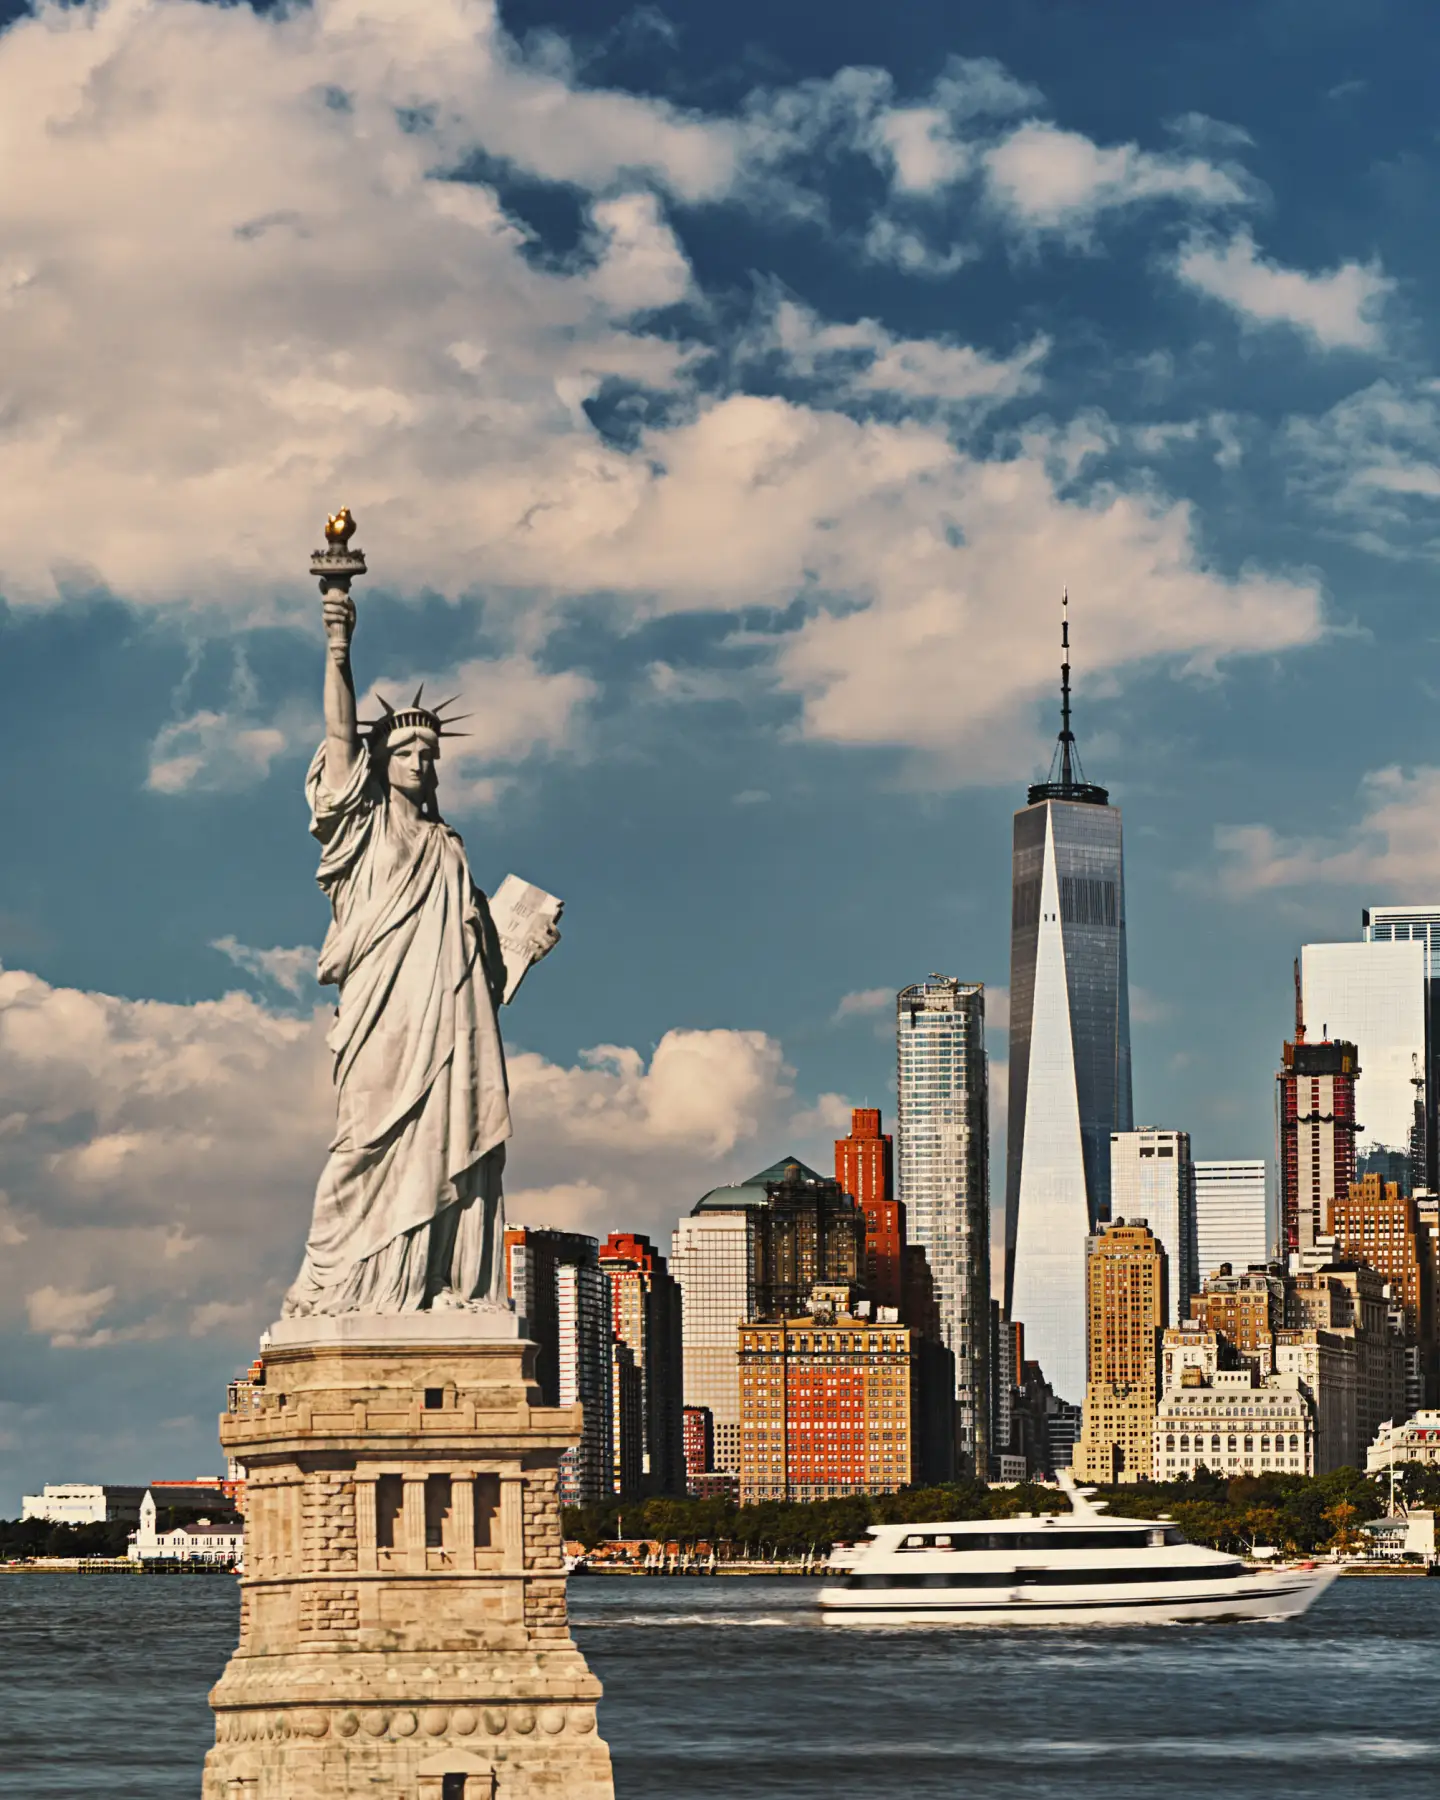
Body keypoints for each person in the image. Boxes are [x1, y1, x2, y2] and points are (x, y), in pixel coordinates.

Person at [281, 579, 555, 1315]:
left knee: (452, 1141)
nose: (421, 764)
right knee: (366, 1140)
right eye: (406, 751)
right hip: (383, 1015)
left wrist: (521, 944)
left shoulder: (448, 847)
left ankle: (439, 1284)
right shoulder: (360, 832)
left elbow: (481, 967)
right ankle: (343, 1287)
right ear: (381, 760)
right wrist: (339, 643)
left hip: (454, 1024)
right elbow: (341, 739)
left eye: (430, 755)